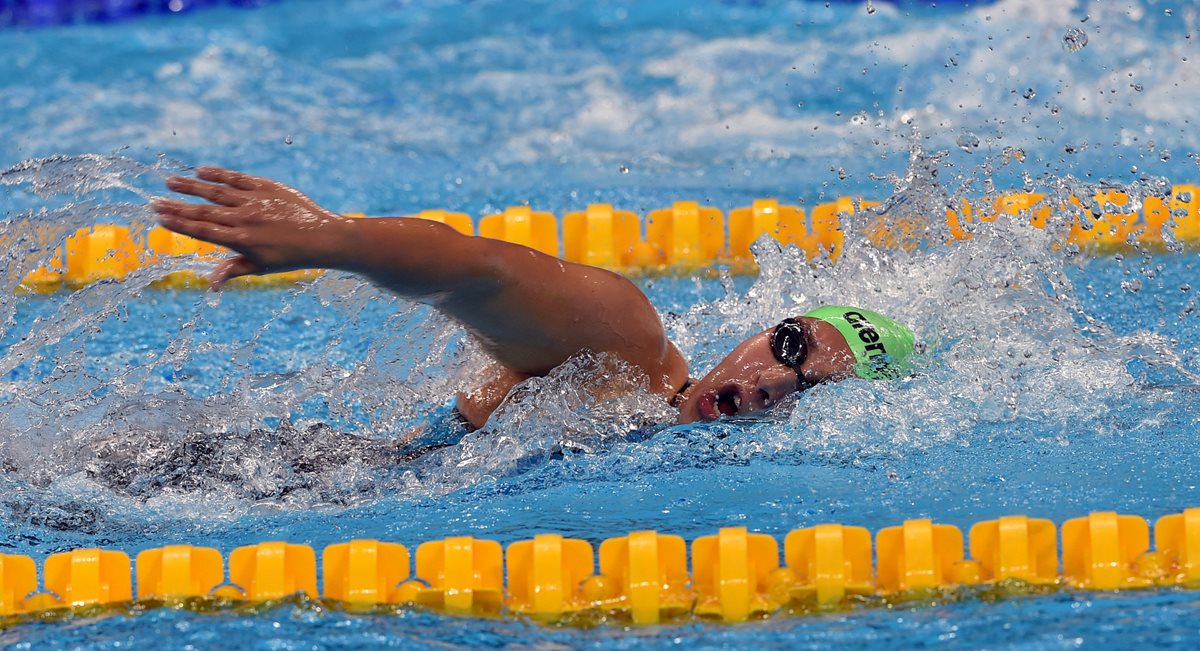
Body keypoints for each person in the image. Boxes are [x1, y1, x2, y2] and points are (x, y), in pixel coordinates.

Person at [152, 167, 916, 431]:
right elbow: (476, 269)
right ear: (761, 331)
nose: (774, 382)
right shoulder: (627, 350)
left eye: (811, 388)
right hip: (277, 479)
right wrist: (335, 240)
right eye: (790, 347)